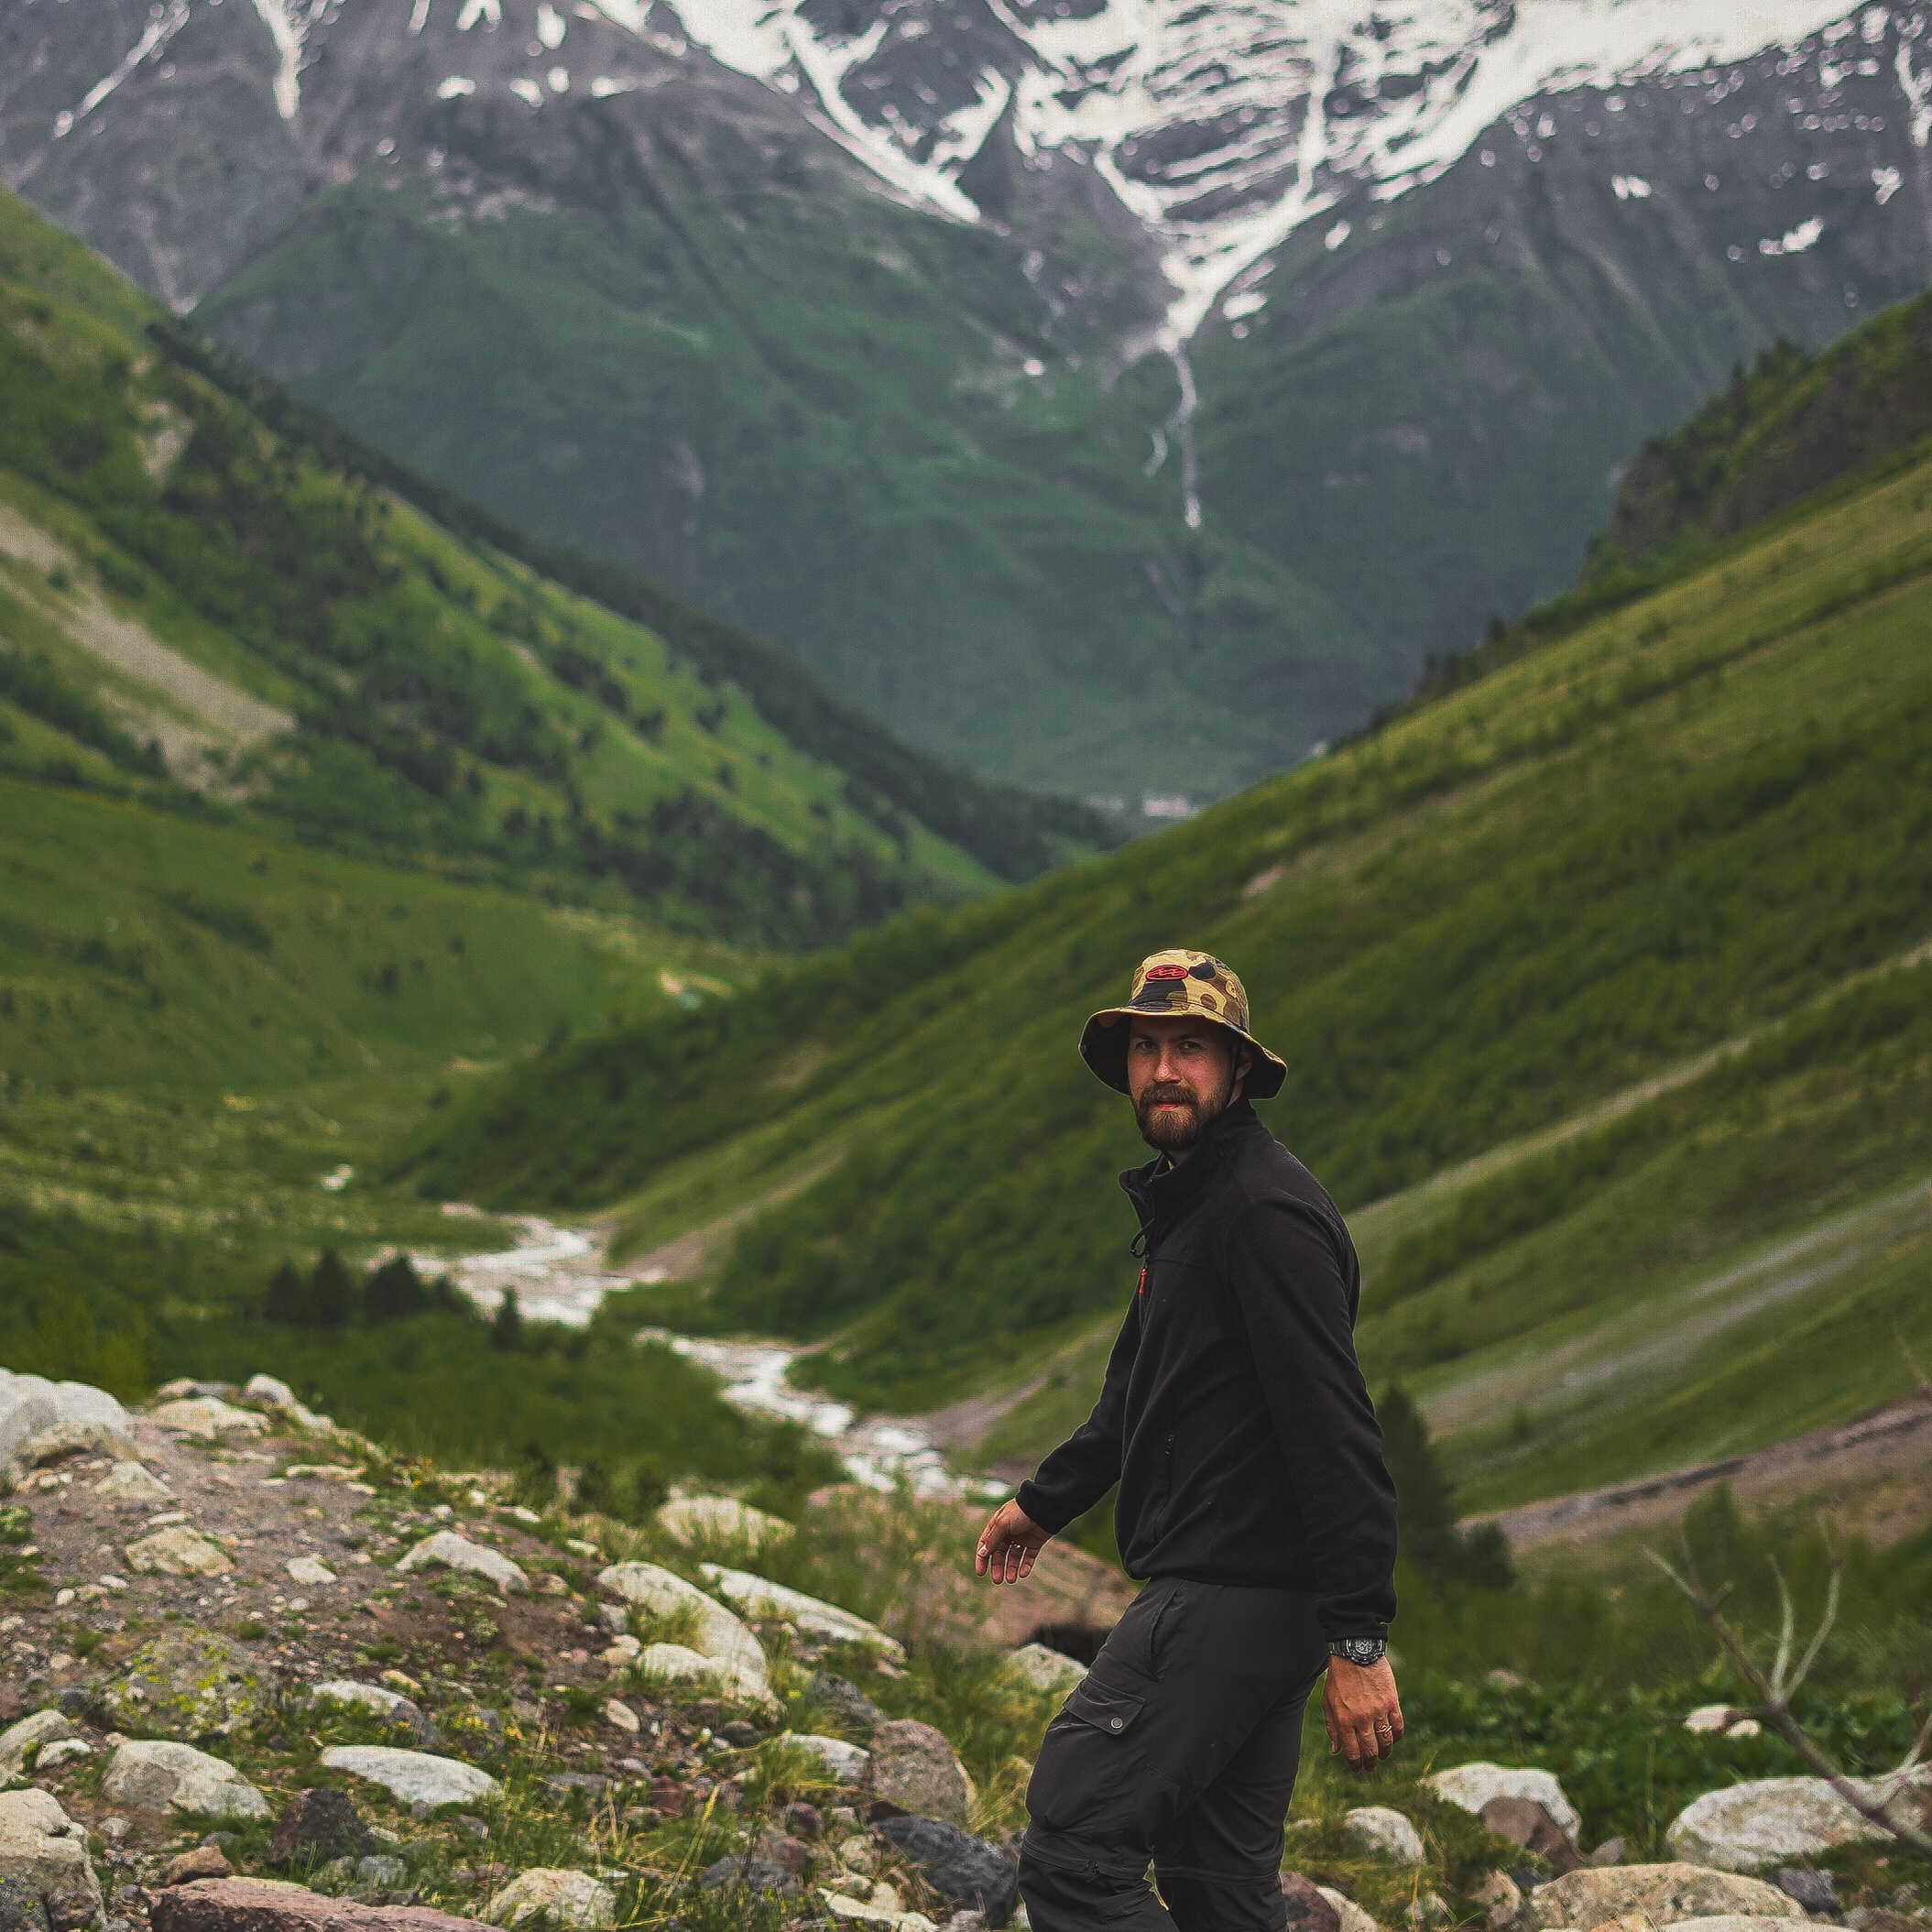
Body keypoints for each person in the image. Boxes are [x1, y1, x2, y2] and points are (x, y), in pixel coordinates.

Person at [975, 949, 1403, 1932]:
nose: (1167, 1070)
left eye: (1194, 1049)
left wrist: (1361, 1639)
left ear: (1239, 1070)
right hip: (1260, 1605)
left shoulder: (1262, 1214)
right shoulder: (1197, 1202)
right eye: (1148, 1047)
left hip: (1229, 1594)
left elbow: (1336, 1430)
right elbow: (1141, 1393)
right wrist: (1044, 1502)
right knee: (1216, 1885)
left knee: (1076, 1844)